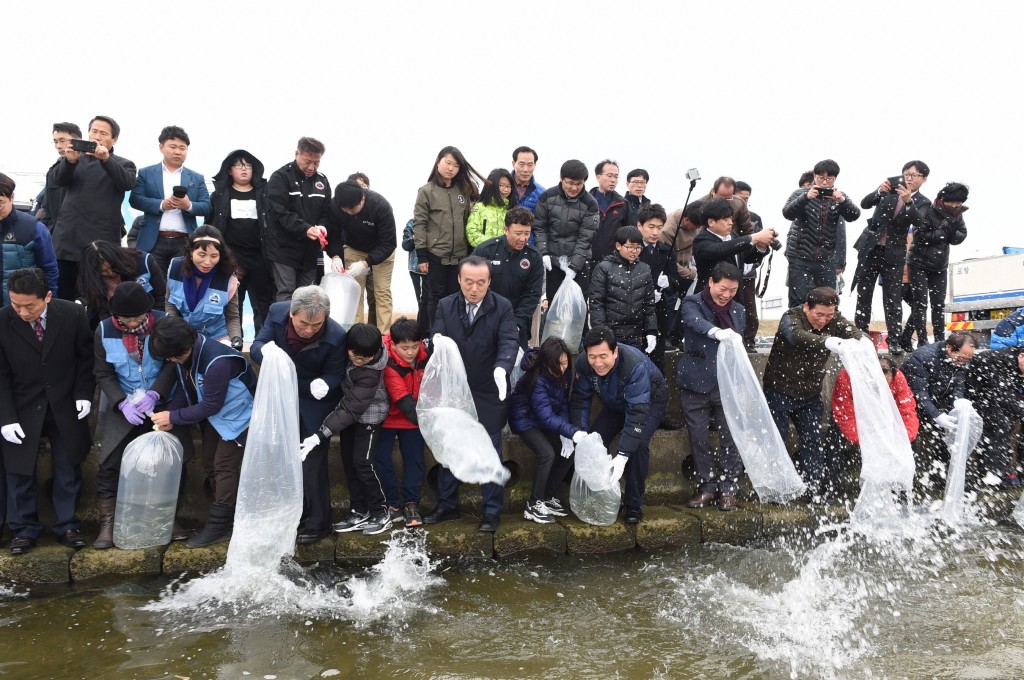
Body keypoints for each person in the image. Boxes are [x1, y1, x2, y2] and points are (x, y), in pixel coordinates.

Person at [0, 268, 94, 555]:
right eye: (16, 305)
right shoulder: (2, 320)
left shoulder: (73, 315)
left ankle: (67, 525)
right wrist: (6, 418)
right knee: (19, 468)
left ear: (48, 297)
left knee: (68, 464)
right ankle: (24, 530)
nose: (22, 312)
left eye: (29, 305)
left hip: (65, 403)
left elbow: (85, 358)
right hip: (22, 404)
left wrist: (83, 395)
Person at [92, 282, 188, 549]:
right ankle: (108, 524)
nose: (132, 323)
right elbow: (103, 372)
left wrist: (156, 394)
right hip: (125, 403)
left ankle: (169, 518)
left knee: (172, 461)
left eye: (138, 318)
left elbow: (173, 363)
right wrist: (121, 402)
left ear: (148, 312)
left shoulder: (164, 322)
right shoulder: (103, 329)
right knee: (109, 462)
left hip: (160, 402)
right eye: (126, 319)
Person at [426, 256, 518, 532]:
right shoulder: (445, 305)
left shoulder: (502, 306)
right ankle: (447, 505)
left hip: (489, 389)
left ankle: (491, 511)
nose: (474, 288)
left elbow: (509, 341)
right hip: (454, 389)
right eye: (469, 282)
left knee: (488, 450)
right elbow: (437, 338)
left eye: (480, 282)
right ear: (459, 280)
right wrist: (437, 345)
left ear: (489, 281)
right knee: (450, 446)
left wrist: (502, 368)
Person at [250, 286, 346, 544]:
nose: (309, 329)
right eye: (304, 323)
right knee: (284, 459)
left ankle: (320, 523)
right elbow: (257, 344)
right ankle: (296, 514)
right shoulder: (276, 312)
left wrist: (326, 382)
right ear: (292, 314)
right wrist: (265, 353)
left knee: (312, 463)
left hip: (315, 401)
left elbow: (336, 373)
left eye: (316, 324)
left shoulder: (336, 335)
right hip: (282, 395)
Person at [149, 316, 256, 548]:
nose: (170, 360)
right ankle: (230, 518)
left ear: (186, 347)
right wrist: (172, 414)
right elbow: (187, 387)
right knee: (209, 463)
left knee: (223, 466)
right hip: (219, 419)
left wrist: (173, 416)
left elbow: (210, 405)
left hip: (242, 417)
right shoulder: (189, 354)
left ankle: (220, 526)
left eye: (171, 356)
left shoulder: (217, 361)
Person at [762, 286, 863, 499]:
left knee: (813, 441)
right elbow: (796, 336)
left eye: (829, 315)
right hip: (779, 389)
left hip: (810, 394)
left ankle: (813, 488)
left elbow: (852, 331)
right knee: (777, 441)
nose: (824, 320)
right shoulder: (791, 317)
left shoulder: (833, 319)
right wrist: (827, 341)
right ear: (807, 307)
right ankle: (777, 490)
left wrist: (862, 342)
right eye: (819, 314)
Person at [301, 323, 393, 536]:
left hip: (369, 417)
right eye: (355, 355)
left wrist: (321, 433)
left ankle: (381, 510)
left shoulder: (371, 373)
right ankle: (359, 509)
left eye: (365, 358)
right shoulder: (345, 350)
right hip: (350, 419)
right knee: (350, 464)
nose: (358, 361)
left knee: (363, 463)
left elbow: (351, 408)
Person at [570, 326, 668, 523]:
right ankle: (599, 495)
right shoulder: (583, 363)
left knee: (637, 445)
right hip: (614, 402)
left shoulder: (633, 365)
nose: (598, 363)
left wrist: (622, 455)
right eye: (592, 356)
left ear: (615, 351)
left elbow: (638, 412)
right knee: (593, 440)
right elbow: (581, 399)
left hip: (649, 403)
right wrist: (579, 431)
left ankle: (634, 504)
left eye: (603, 356)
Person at [678, 263, 746, 511]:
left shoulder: (738, 310)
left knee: (731, 437)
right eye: (723, 288)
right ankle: (707, 486)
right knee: (699, 438)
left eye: (733, 290)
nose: (727, 295)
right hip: (695, 383)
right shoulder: (693, 303)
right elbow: (693, 323)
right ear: (711, 282)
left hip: (727, 384)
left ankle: (729, 488)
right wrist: (717, 332)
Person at [51, 115, 137, 301]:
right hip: (67, 240)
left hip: (100, 243)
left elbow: (127, 183)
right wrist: (69, 161)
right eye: (94, 131)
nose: (97, 136)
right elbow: (58, 180)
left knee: (98, 298)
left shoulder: (123, 163)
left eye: (103, 133)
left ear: (113, 140)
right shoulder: (73, 157)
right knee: (63, 296)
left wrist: (106, 159)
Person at [852, 161, 930, 356]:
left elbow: (920, 222)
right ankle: (860, 336)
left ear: (924, 179)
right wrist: (879, 191)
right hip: (872, 247)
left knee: (892, 298)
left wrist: (908, 201)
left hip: (894, 253)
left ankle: (894, 340)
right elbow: (865, 203)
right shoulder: (889, 190)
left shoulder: (923, 201)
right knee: (864, 295)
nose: (909, 178)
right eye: (906, 173)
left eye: (914, 175)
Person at [508, 337, 583, 524]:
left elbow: (563, 404)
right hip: (525, 420)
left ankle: (547, 497)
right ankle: (533, 504)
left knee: (568, 452)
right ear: (547, 362)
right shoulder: (538, 378)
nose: (563, 367)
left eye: (566, 363)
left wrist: (568, 436)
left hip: (544, 420)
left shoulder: (562, 374)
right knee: (547, 454)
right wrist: (572, 431)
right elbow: (546, 416)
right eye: (558, 364)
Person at [413, 146, 485, 327]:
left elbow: (470, 219)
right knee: (434, 297)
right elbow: (420, 224)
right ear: (438, 162)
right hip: (435, 254)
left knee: (456, 296)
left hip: (460, 255)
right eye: (448, 162)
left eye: (456, 165)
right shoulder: (426, 191)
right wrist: (422, 254)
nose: (451, 168)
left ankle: (453, 332)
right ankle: (435, 333)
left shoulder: (464, 190)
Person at [130, 126, 212, 278]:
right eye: (172, 147)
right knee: (151, 284)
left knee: (181, 285)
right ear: (161, 147)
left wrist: (188, 206)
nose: (178, 152)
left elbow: (206, 206)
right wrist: (161, 205)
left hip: (185, 241)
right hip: (154, 240)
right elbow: (135, 199)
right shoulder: (146, 173)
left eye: (182, 148)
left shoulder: (196, 177)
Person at [209, 149, 275, 337]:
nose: (244, 169)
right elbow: (211, 224)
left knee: (263, 303)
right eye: (238, 165)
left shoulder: (265, 194)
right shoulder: (220, 195)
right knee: (232, 301)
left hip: (261, 255)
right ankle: (233, 342)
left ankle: (263, 343)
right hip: (232, 256)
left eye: (248, 165)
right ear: (229, 170)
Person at [781, 159, 861, 308]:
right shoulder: (801, 193)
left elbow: (854, 215)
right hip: (799, 256)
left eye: (829, 179)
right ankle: (796, 331)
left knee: (828, 301)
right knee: (798, 302)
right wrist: (805, 198)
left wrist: (842, 201)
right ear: (814, 176)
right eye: (821, 178)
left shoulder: (839, 196)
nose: (824, 183)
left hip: (825, 258)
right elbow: (787, 213)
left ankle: (824, 331)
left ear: (835, 179)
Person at [377, 317, 431, 527]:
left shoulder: (426, 358)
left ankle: (411, 502)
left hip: (414, 420)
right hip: (390, 416)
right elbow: (401, 398)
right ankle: (392, 503)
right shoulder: (387, 360)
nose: (410, 352)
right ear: (393, 344)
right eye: (404, 348)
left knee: (415, 459)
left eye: (414, 347)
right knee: (381, 460)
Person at [327, 180, 398, 332]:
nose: (348, 212)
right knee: (354, 291)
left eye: (352, 208)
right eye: (344, 209)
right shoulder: (335, 206)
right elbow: (333, 235)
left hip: (382, 249)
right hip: (354, 247)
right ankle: (356, 333)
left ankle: (384, 336)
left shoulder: (380, 206)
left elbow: (389, 243)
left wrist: (366, 263)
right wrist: (335, 256)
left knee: (381, 292)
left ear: (362, 199)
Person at [266, 137, 332, 301]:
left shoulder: (322, 181)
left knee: (308, 297)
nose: (312, 167)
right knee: (286, 294)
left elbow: (327, 212)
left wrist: (322, 228)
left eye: (316, 162)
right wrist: (304, 228)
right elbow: (279, 212)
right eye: (308, 161)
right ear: (297, 154)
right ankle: (283, 327)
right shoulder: (280, 177)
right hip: (284, 250)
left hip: (310, 251)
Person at [904, 182, 969, 347]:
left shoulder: (957, 214)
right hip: (919, 263)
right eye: (952, 203)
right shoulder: (928, 209)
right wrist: (944, 232)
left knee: (938, 305)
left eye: (958, 204)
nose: (955, 206)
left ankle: (940, 341)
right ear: (942, 199)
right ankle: (923, 341)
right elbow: (920, 235)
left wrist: (952, 231)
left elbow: (960, 236)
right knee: (920, 303)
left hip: (940, 265)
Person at [471, 206, 543, 349]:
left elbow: (533, 294)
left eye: (527, 233)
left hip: (516, 322)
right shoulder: (486, 250)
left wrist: (516, 323)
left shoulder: (533, 256)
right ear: (506, 230)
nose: (523, 238)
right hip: (485, 320)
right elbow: (471, 285)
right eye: (518, 233)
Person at [533, 159, 600, 302]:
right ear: (561, 179)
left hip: (579, 263)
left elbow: (585, 238)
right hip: (553, 262)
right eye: (570, 183)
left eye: (578, 184)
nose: (574, 188)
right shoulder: (547, 197)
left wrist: (574, 267)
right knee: (554, 305)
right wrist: (544, 252)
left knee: (577, 306)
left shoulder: (590, 203)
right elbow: (540, 226)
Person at [165, 226, 242, 349]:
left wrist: (236, 338)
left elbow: (232, 316)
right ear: (191, 252)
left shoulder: (228, 276)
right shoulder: (175, 268)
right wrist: (174, 330)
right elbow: (170, 304)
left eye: (214, 256)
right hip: (184, 336)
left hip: (217, 337)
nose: (207, 262)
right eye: (202, 254)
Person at [589, 225, 657, 353]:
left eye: (638, 247)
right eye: (630, 247)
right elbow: (596, 302)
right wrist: (602, 332)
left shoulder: (644, 269)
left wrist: (651, 331)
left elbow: (649, 304)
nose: (634, 251)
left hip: (635, 333)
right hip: (612, 332)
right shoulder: (604, 268)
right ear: (618, 246)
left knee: (632, 368)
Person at [964, 346, 1024, 488]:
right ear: (1022, 356)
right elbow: (1003, 395)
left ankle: (1001, 471)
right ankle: (992, 475)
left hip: (991, 394)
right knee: (1000, 426)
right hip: (974, 395)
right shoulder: (999, 360)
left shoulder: (1016, 362)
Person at [901, 332, 976, 440]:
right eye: (960, 359)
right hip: (915, 408)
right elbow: (918, 391)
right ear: (949, 347)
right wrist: (935, 414)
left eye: (966, 360)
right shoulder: (922, 357)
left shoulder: (963, 360)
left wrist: (958, 401)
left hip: (938, 404)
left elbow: (958, 384)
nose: (962, 363)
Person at [76, 240, 166, 329]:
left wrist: (156, 322)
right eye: (103, 271)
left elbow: (161, 294)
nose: (110, 273)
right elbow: (101, 309)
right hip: (116, 324)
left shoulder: (143, 262)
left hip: (150, 319)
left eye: (113, 267)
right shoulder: (91, 280)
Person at [831, 355, 918, 447]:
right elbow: (845, 415)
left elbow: (907, 411)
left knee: (909, 443)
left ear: (892, 374)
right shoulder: (847, 378)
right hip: (858, 414)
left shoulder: (898, 378)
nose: (879, 385)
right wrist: (865, 441)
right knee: (836, 436)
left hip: (887, 414)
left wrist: (904, 438)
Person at [0, 173, 59, 305]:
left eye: (0, 203)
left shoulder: (34, 228)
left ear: (12, 197)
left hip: (20, 306)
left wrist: (49, 303)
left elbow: (50, 270)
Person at [692, 198, 774, 293]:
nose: (730, 222)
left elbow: (748, 258)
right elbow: (721, 249)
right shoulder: (701, 240)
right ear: (711, 222)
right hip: (709, 297)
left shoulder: (733, 236)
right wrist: (754, 237)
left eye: (731, 218)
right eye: (725, 219)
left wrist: (761, 246)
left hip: (735, 297)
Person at [637, 204, 676, 368]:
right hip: (636, 312)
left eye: (660, 228)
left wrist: (668, 284)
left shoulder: (667, 252)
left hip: (659, 312)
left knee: (657, 360)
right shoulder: (633, 250)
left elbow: (676, 282)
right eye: (651, 227)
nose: (655, 232)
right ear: (640, 225)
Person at [733, 181, 769, 351]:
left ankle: (749, 341)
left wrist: (755, 261)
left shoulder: (755, 218)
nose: (744, 202)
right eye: (741, 198)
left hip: (748, 270)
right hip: (729, 268)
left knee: (749, 307)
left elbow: (760, 245)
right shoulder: (725, 216)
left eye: (747, 199)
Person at [35, 122, 82, 231]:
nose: (58, 146)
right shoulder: (53, 171)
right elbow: (46, 208)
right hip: (58, 234)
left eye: (62, 141)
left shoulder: (92, 167)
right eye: (55, 142)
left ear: (78, 140)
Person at [588, 159, 632, 262]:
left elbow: (629, 233)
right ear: (598, 177)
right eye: (609, 175)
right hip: (589, 260)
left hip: (615, 261)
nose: (613, 180)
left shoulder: (623, 204)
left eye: (616, 176)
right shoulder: (585, 202)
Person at [466, 168, 515, 248]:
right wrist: (493, 246)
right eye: (501, 185)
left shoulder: (512, 210)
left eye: (508, 186)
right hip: (484, 256)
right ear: (492, 186)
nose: (505, 189)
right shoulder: (480, 207)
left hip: (506, 256)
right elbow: (472, 233)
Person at [401, 218, 430, 334]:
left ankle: (426, 330)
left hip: (437, 268)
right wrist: (417, 237)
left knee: (431, 301)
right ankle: (422, 333)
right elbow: (405, 245)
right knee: (423, 301)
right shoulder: (412, 223)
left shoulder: (438, 221)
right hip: (417, 270)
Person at [511, 146, 544, 212]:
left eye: (530, 165)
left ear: (535, 165)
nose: (525, 170)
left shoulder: (541, 193)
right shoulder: (500, 186)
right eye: (521, 164)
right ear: (513, 164)